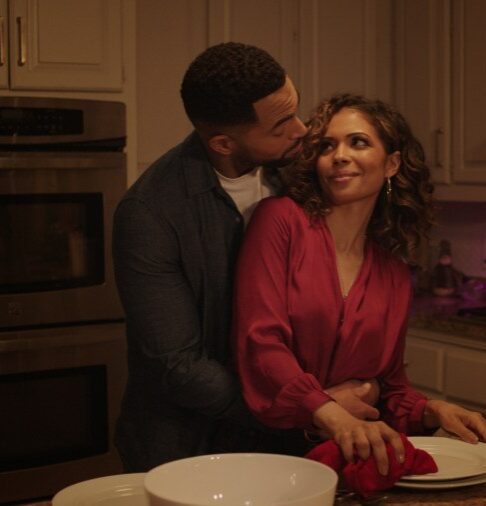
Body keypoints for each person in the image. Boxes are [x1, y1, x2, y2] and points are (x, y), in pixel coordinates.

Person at [112, 43, 379, 472]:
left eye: (295, 108)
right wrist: (311, 407)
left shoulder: (296, 173)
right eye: (280, 125)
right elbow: (179, 367)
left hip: (293, 438)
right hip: (188, 446)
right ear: (223, 142)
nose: (300, 130)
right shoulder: (150, 213)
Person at [233, 94, 486, 477]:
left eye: (358, 142)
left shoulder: (392, 270)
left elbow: (389, 387)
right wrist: (333, 413)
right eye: (327, 145)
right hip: (268, 456)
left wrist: (430, 409)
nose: (339, 155)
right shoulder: (280, 222)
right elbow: (261, 342)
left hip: (345, 462)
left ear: (391, 163)